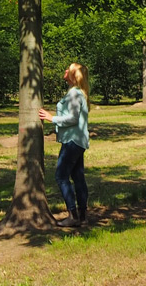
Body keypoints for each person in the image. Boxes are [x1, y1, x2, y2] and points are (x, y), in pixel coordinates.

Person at [39, 62, 90, 228]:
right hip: (78, 141)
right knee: (77, 177)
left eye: (69, 69)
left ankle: (73, 215)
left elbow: (73, 118)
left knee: (61, 176)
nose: (65, 70)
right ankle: (82, 216)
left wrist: (50, 118)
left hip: (72, 141)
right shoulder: (78, 93)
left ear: (74, 75)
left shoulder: (75, 94)